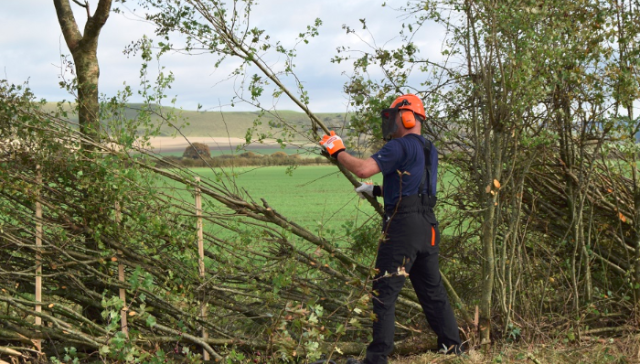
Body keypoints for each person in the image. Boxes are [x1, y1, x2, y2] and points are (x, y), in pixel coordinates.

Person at [319, 94, 462, 364]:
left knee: (383, 293)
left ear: (407, 117)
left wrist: (337, 151)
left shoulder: (398, 147)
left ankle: (376, 359)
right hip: (428, 226)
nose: (391, 122)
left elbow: (362, 169)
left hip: (403, 229)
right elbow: (414, 190)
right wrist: (378, 191)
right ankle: (453, 349)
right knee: (433, 293)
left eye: (394, 116)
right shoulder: (429, 149)